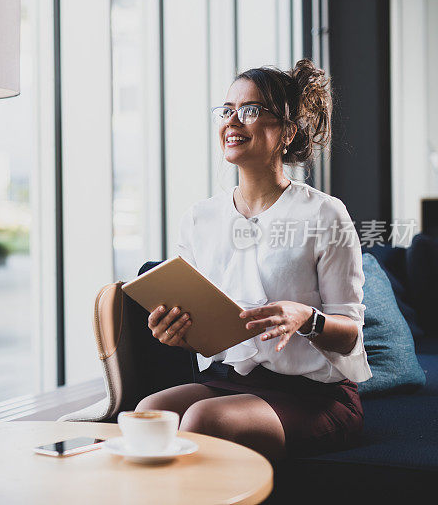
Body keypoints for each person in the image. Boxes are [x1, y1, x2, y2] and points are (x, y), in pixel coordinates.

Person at [136, 58, 372, 460]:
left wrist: (307, 319)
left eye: (250, 111)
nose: (233, 122)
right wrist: (171, 330)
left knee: (203, 421)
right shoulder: (199, 218)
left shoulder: (324, 214)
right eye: (227, 111)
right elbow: (196, 317)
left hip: (315, 394)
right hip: (231, 381)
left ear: (286, 132)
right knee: (148, 415)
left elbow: (350, 332)